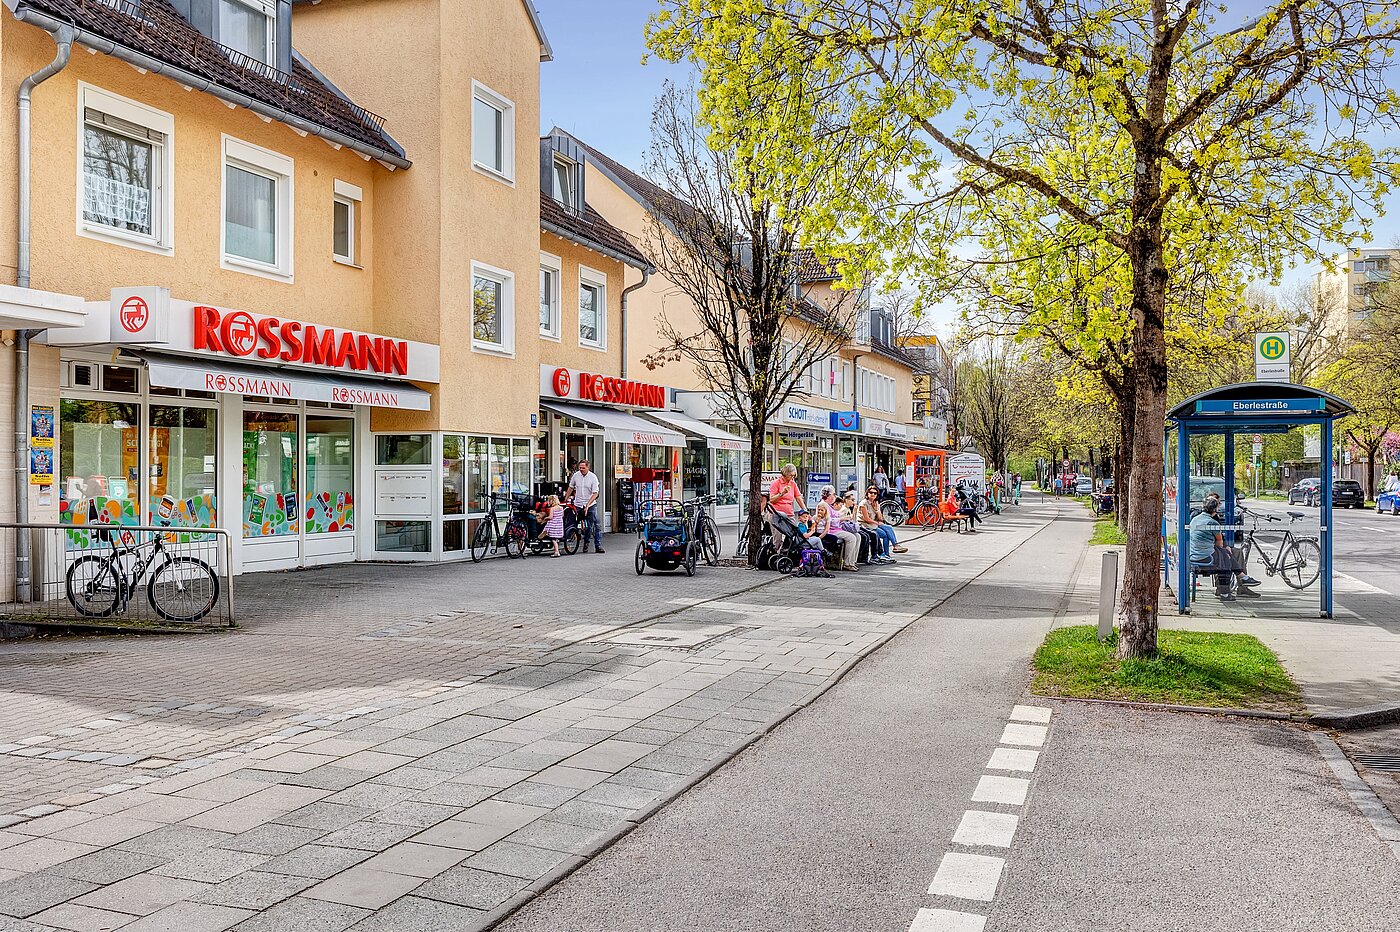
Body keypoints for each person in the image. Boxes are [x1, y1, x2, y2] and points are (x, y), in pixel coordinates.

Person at [815, 486, 860, 571]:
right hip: (830, 530)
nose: (835, 496)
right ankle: (847, 563)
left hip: (837, 528)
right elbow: (827, 520)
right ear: (828, 495)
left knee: (857, 536)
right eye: (833, 494)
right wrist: (842, 519)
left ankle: (852, 561)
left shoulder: (829, 505)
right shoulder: (823, 505)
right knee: (851, 537)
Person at [564, 460, 603, 553]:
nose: (581, 469)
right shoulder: (576, 475)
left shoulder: (593, 477)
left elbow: (595, 493)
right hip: (578, 503)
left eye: (583, 468)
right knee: (572, 522)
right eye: (580, 467)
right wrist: (566, 499)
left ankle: (595, 545)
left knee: (592, 525)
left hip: (590, 504)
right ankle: (571, 538)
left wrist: (588, 505)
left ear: (587, 468)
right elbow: (571, 487)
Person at [859, 486, 903, 562]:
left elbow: (880, 519)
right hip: (865, 525)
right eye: (871, 493)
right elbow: (866, 519)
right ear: (867, 493)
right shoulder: (863, 504)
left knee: (889, 528)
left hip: (874, 524)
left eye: (875, 493)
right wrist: (877, 523)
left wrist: (877, 510)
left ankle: (889, 552)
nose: (873, 494)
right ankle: (886, 552)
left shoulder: (876, 503)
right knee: (885, 534)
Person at [768, 464, 801, 550]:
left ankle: (788, 551)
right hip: (777, 514)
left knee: (795, 532)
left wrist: (805, 510)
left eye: (794, 476)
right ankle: (775, 553)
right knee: (777, 537)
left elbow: (798, 497)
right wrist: (782, 493)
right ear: (785, 474)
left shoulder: (793, 484)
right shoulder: (776, 483)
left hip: (789, 514)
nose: (792, 478)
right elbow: (772, 499)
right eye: (791, 475)